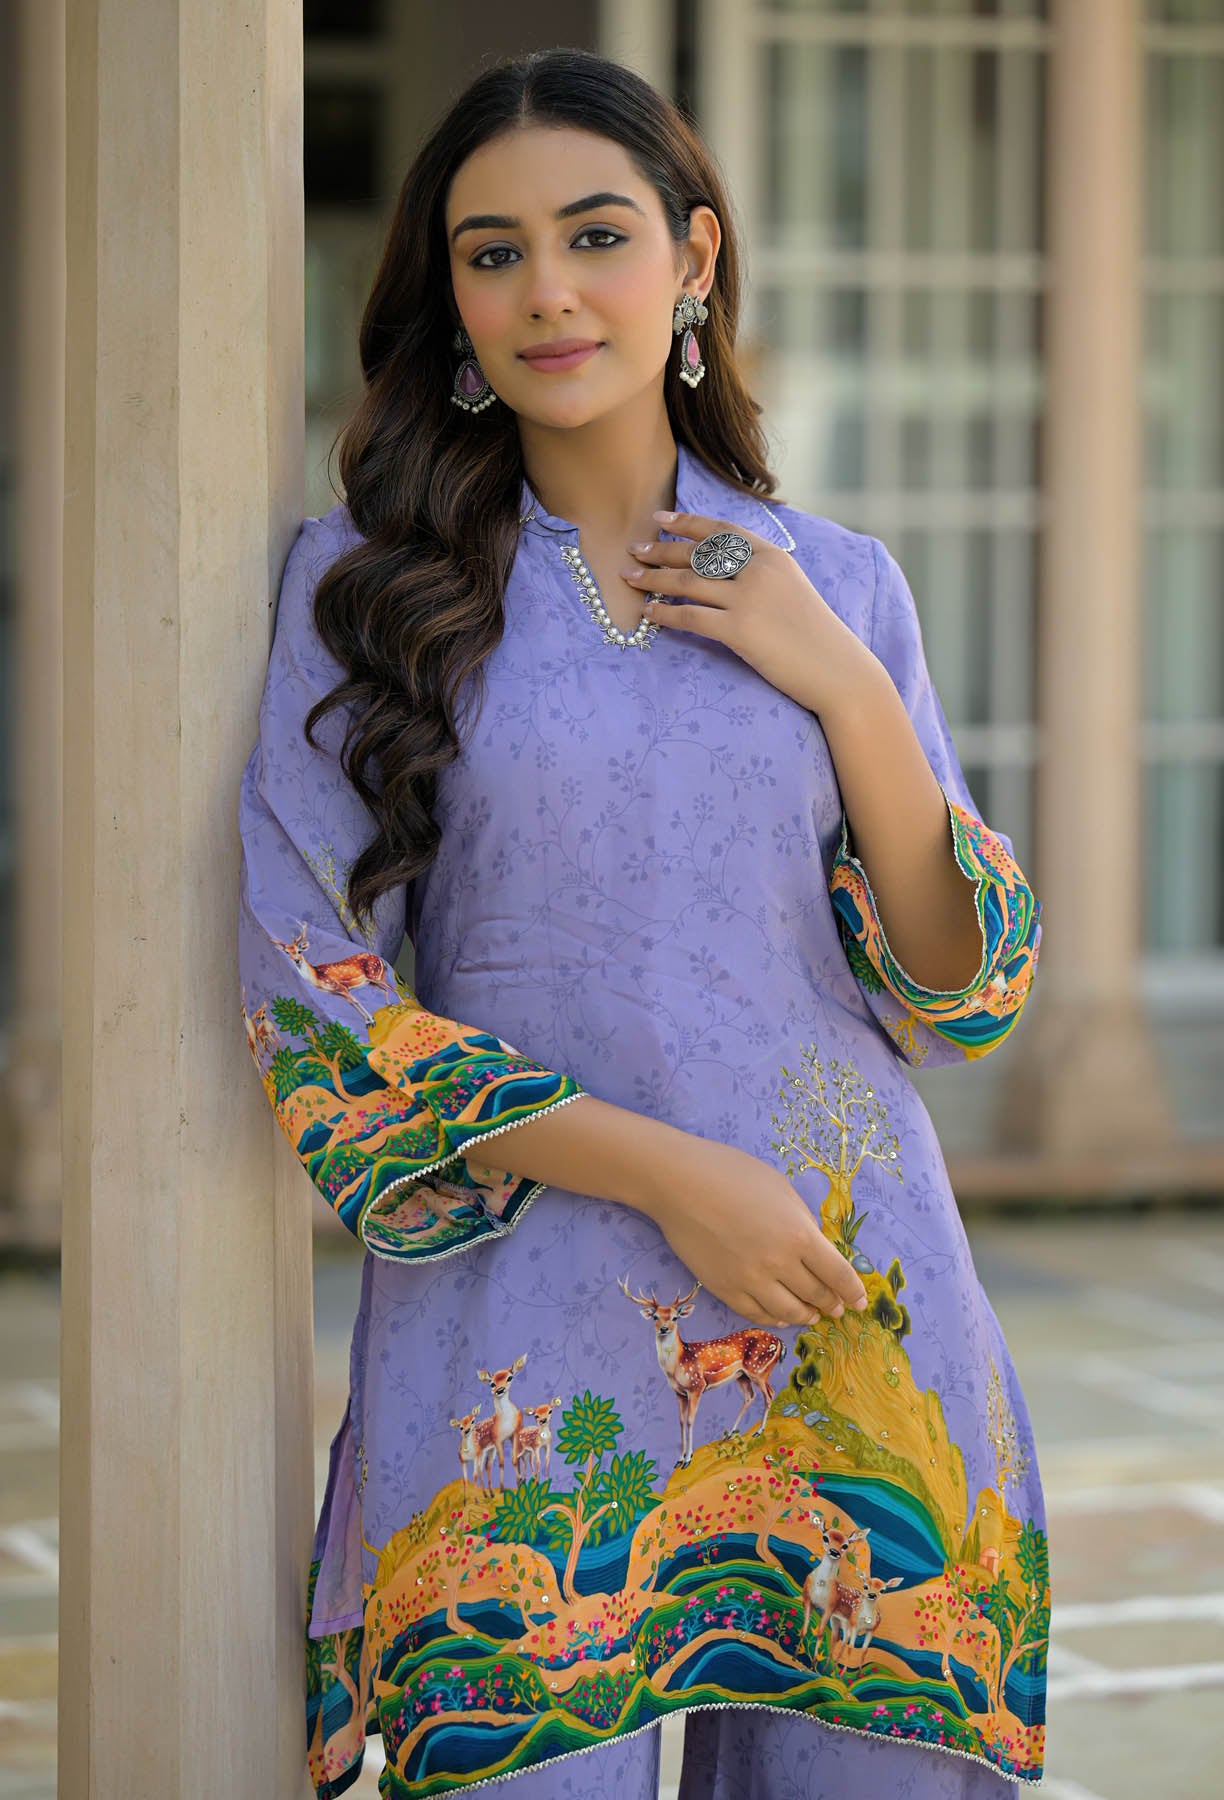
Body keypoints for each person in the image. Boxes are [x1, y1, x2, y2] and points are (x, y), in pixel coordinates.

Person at [238, 47, 1047, 1800]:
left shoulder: (841, 586)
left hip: (850, 1320)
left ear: (692, 260)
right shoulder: (356, 591)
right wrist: (678, 1177)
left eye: (594, 236)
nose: (547, 292)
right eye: (493, 252)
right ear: (448, 301)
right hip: (520, 1333)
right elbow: (319, 1003)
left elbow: (958, 981)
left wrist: (842, 686)